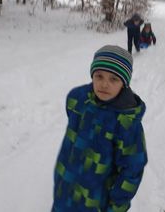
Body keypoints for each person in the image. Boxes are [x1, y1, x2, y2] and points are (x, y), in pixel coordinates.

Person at [51, 45, 148, 212]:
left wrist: (117, 206)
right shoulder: (77, 99)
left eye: (113, 79)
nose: (104, 84)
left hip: (95, 200)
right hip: (65, 188)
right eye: (99, 76)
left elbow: (132, 169)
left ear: (124, 83)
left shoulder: (126, 123)